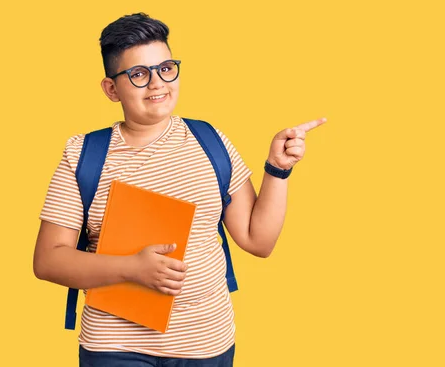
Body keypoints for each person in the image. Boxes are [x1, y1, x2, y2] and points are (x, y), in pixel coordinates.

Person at [33, 12, 325, 366]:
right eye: (138, 74)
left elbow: (257, 241)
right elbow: (48, 260)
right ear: (112, 88)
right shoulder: (84, 154)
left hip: (206, 343)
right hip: (114, 347)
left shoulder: (209, 141)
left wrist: (277, 170)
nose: (157, 83)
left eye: (166, 68)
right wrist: (132, 269)